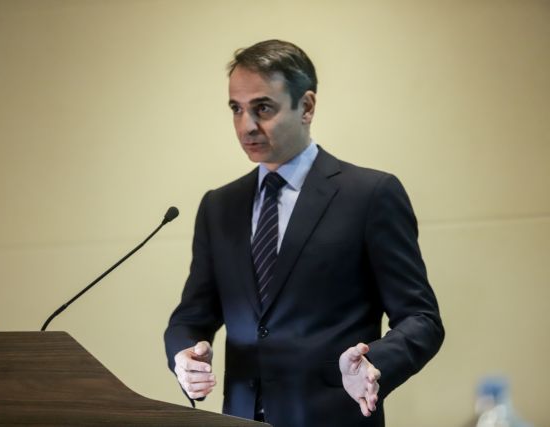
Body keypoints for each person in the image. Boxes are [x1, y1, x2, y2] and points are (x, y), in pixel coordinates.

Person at [164, 39, 444, 427]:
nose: (246, 125)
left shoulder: (369, 195)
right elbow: (191, 318)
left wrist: (375, 363)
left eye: (263, 108)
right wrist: (184, 357)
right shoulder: (219, 206)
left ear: (307, 106)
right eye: (236, 109)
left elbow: (421, 318)